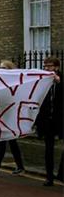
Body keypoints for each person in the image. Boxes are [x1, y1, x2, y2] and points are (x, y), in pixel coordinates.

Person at [0, 60, 25, 175]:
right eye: (0, 68)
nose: (1, 70)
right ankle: (18, 166)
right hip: (2, 115)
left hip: (11, 115)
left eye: (4, 68)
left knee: (8, 141)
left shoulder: (15, 83)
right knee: (7, 141)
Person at [35, 56, 63, 186]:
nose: (46, 68)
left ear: (56, 67)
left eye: (50, 66)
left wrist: (59, 82)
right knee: (48, 149)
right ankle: (49, 176)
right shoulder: (41, 81)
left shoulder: (61, 79)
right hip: (47, 120)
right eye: (45, 66)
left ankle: (61, 174)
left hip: (60, 119)